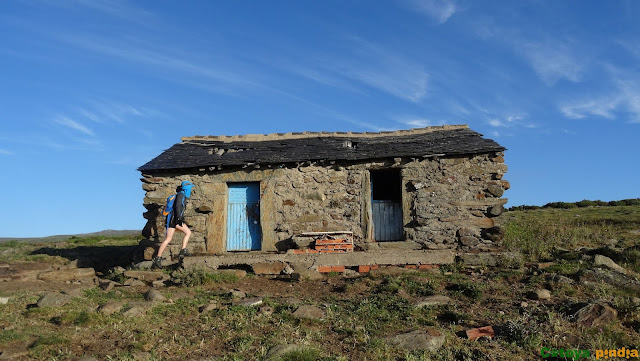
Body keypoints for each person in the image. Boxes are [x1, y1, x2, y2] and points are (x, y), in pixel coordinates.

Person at [153, 180, 194, 269]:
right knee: (188, 232)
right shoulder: (181, 195)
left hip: (171, 219)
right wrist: (179, 218)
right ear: (187, 188)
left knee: (168, 239)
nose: (191, 190)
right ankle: (183, 250)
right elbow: (178, 206)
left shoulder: (178, 195)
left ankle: (158, 258)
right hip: (176, 219)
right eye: (190, 188)